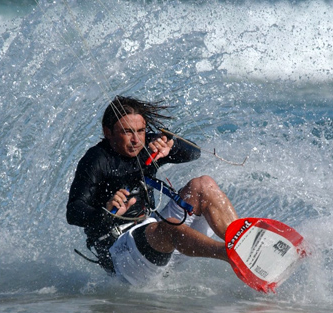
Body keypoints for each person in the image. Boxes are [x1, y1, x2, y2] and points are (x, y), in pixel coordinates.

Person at [66, 95, 239, 285]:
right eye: (127, 132)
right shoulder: (96, 159)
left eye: (141, 131)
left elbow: (194, 152)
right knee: (169, 226)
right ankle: (230, 255)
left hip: (157, 241)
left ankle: (242, 243)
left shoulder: (148, 146)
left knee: (203, 185)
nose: (136, 140)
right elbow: (74, 212)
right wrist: (106, 212)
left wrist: (171, 146)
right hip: (123, 255)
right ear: (108, 132)